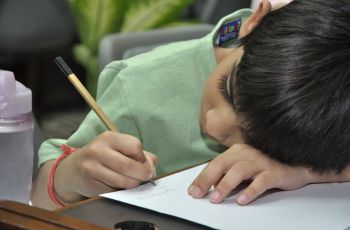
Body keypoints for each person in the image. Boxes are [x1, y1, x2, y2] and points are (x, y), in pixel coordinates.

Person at [32, 0, 350, 210]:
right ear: (254, 23)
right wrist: (72, 175)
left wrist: (305, 171)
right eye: (227, 89)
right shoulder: (139, 86)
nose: (214, 125)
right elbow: (37, 202)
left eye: (257, 137)